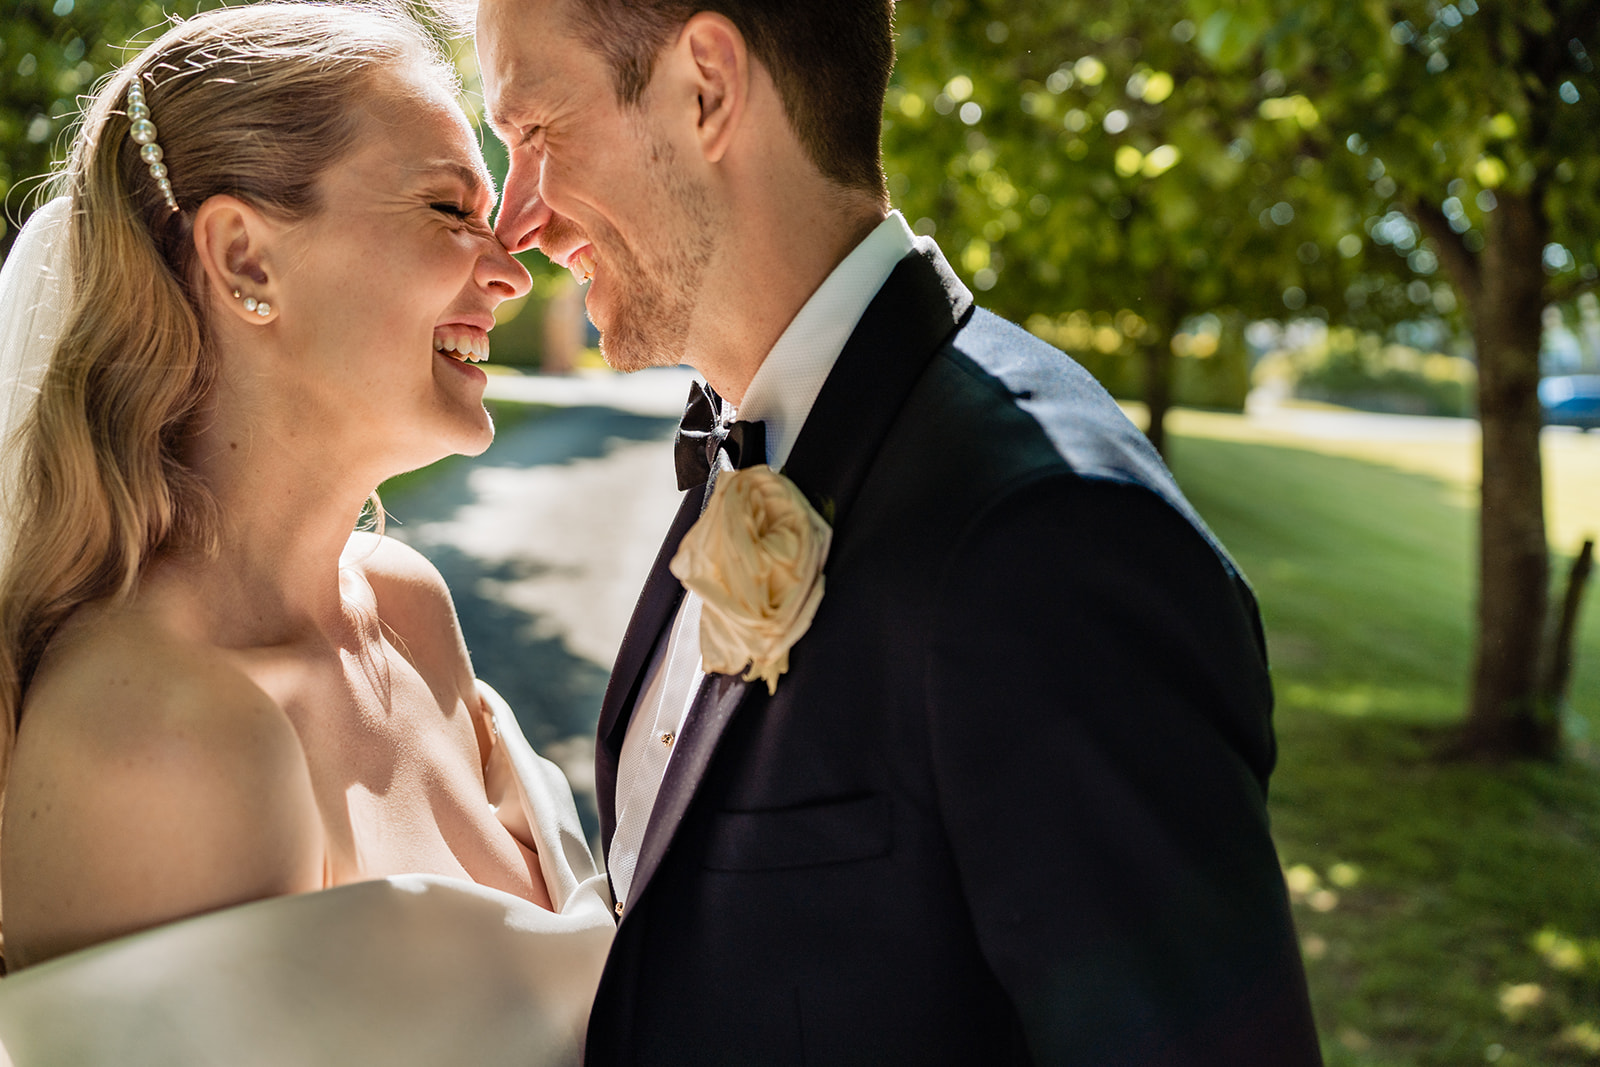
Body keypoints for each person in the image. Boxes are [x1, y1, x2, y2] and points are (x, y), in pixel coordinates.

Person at [474, 0, 1325, 1062]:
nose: (516, 220)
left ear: (706, 88)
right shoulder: (757, 432)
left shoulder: (1052, 543)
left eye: (536, 134)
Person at [0, 5, 611, 1062]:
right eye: (447, 210)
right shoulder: (166, 745)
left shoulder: (409, 607)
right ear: (246, 259)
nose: (512, 271)